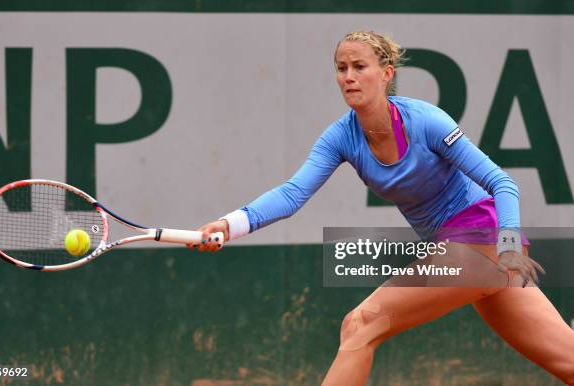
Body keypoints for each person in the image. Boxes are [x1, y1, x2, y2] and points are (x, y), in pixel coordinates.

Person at [189, 30, 574, 385]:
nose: (349, 77)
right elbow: (292, 195)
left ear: (386, 73)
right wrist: (229, 224)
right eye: (342, 69)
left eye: (360, 67)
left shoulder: (426, 121)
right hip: (468, 254)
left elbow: (502, 183)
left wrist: (507, 246)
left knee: (360, 326)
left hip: (485, 241)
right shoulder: (340, 137)